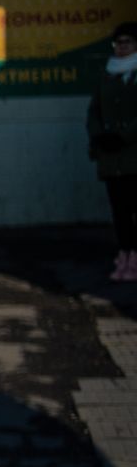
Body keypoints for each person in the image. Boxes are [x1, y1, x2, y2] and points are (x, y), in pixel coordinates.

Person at [86, 21, 137, 281]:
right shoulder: (107, 74)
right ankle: (125, 253)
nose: (121, 47)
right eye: (118, 43)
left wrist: (124, 136)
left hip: (132, 155)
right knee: (120, 210)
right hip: (111, 158)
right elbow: (94, 110)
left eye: (126, 42)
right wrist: (99, 136)